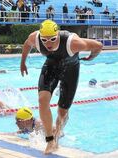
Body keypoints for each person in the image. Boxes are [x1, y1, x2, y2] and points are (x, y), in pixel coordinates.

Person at [20, 19, 102, 154]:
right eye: (44, 40)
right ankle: (50, 139)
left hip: (71, 69)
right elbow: (26, 45)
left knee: (62, 112)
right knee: (42, 100)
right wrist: (22, 63)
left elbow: (98, 45)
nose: (48, 44)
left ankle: (57, 134)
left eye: (52, 39)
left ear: (57, 35)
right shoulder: (34, 38)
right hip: (51, 66)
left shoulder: (73, 42)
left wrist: (91, 57)